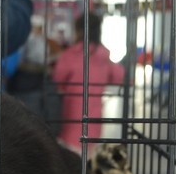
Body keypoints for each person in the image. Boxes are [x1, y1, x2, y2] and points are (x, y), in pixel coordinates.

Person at [52, 13, 125, 153]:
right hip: (94, 118)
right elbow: (118, 76)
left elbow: (58, 77)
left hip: (70, 118)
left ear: (78, 30)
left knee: (71, 159)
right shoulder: (103, 55)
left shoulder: (71, 54)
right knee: (88, 157)